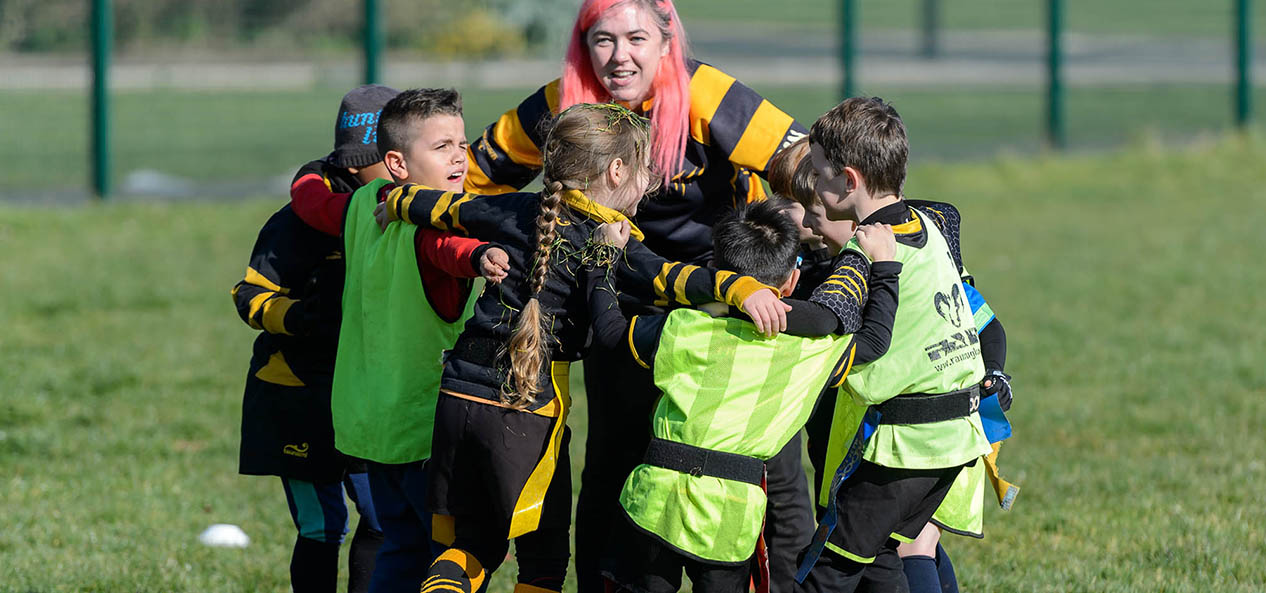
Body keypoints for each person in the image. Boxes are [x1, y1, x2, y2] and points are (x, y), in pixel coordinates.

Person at [463, 2, 811, 589]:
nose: (619, 56)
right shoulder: (563, 103)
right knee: (614, 467)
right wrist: (479, 250)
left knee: (749, 468)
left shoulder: (708, 93)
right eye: (603, 40)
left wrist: (790, 246)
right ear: (583, 44)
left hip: (720, 312)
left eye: (636, 38)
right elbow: (471, 175)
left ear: (667, 39)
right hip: (615, 312)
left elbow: (799, 163)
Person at [373, 102, 790, 593]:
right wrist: (738, 288)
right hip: (527, 409)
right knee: (543, 563)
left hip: (458, 394)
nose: (652, 180)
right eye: (645, 168)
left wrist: (395, 204)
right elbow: (673, 278)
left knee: (470, 547)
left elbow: (444, 207)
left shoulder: (519, 208)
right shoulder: (610, 242)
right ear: (616, 170)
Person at [588, 199, 901, 593]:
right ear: (789, 284)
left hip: (653, 504)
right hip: (730, 520)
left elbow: (611, 331)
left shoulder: (683, 327)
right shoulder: (806, 352)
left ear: (717, 274)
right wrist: (885, 268)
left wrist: (603, 262)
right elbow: (874, 339)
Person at [286, 87, 510, 593]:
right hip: (426, 430)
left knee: (400, 546)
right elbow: (449, 248)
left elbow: (311, 201)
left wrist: (310, 169)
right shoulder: (431, 223)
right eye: (441, 146)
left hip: (370, 426)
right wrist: (481, 257)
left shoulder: (362, 203)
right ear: (397, 163)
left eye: (461, 142)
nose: (459, 156)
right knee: (449, 557)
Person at [792, 96, 997, 593]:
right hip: (957, 438)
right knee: (883, 557)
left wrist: (749, 300)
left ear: (849, 180)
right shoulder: (929, 226)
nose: (817, 188)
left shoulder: (867, 249)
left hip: (906, 446)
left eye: (819, 174)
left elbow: (830, 320)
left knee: (824, 574)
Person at [232, 84, 397, 593]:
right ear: (354, 165)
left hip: (366, 396)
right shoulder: (297, 223)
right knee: (322, 526)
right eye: (388, 161)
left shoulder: (400, 210)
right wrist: (301, 318)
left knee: (382, 520)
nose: (400, 170)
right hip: (297, 395)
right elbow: (250, 296)